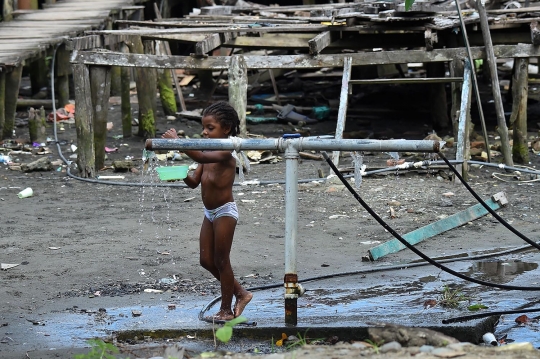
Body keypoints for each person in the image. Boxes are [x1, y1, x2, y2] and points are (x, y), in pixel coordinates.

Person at [162, 101, 252, 321]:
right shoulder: (207, 150)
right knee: (206, 261)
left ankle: (226, 310)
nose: (204, 132)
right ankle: (241, 293)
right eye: (204, 127)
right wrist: (181, 173)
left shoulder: (226, 152)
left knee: (222, 260)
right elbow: (194, 182)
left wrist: (178, 143)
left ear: (226, 129)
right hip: (209, 213)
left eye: (210, 128)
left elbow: (201, 158)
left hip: (224, 212)